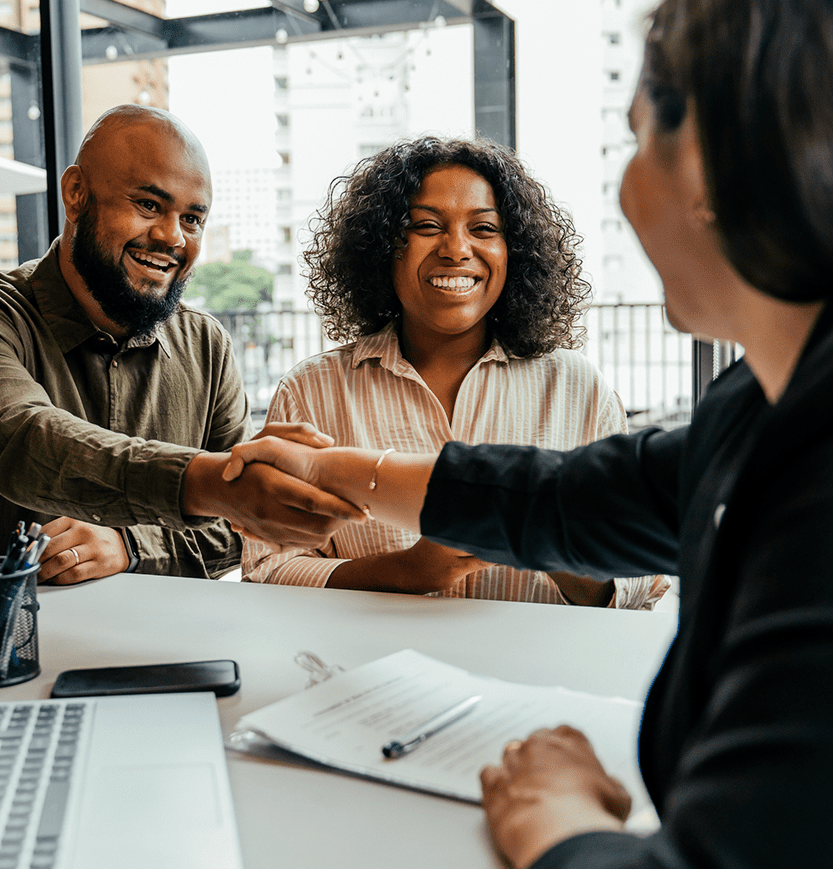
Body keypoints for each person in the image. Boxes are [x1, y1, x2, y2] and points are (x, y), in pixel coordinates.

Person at [220, 0, 833, 869]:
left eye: (637, 133)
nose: (626, 184)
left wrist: (556, 822)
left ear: (722, 164)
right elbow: (593, 492)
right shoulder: (804, 389)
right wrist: (347, 474)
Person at [0, 104, 362, 584]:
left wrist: (132, 545)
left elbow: (242, 531)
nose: (171, 237)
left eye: (192, 219)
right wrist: (212, 484)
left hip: (160, 646)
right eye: (148, 205)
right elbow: (22, 444)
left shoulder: (206, 344)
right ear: (76, 193)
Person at [243, 136, 669, 607]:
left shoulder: (577, 390)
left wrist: (546, 539)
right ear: (383, 246)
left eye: (484, 228)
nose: (456, 249)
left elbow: (643, 580)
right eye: (426, 226)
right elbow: (267, 568)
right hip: (367, 671)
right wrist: (402, 573)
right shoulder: (312, 391)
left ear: (516, 252)